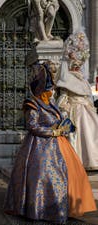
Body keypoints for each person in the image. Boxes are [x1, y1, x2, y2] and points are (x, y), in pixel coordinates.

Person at [4, 62, 96, 223]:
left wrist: (64, 127)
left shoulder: (51, 104)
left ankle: (65, 207)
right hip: (39, 147)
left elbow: (59, 119)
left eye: (52, 89)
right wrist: (52, 132)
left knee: (72, 175)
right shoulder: (32, 105)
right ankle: (40, 210)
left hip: (60, 145)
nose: (52, 92)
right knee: (44, 176)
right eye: (49, 89)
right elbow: (32, 126)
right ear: (42, 90)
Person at [56, 30, 98, 169]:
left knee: (93, 128)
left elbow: (87, 97)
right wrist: (65, 107)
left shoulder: (83, 81)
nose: (78, 65)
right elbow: (63, 95)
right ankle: (77, 161)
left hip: (85, 109)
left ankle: (90, 161)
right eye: (75, 61)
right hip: (74, 110)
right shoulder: (66, 77)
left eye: (79, 62)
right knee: (80, 131)